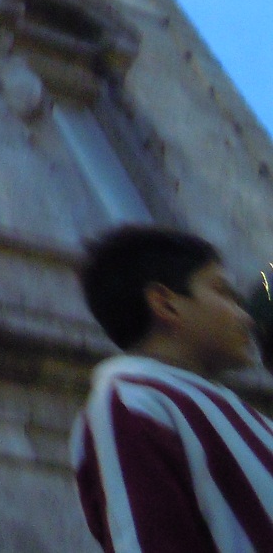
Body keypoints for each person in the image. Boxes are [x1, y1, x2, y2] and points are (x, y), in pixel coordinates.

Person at [72, 224, 273, 551]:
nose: (247, 319)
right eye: (223, 293)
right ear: (165, 303)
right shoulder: (133, 401)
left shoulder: (238, 413)